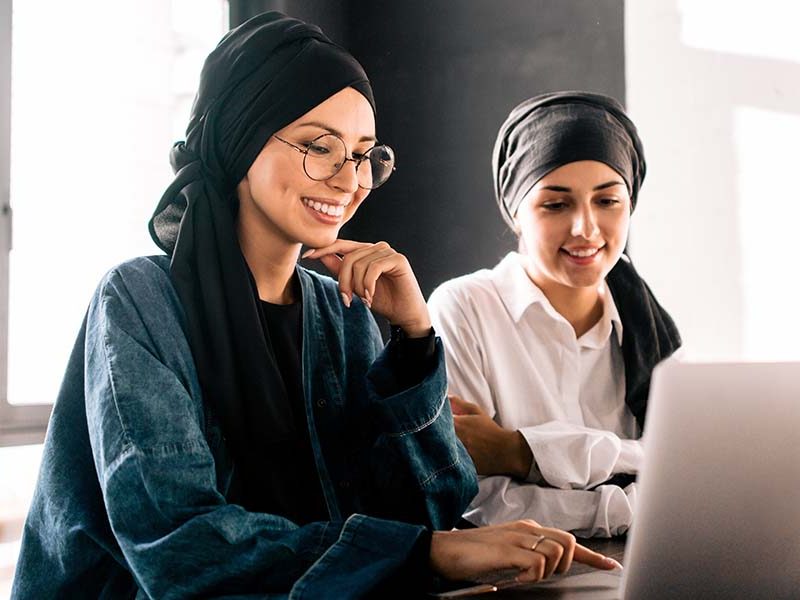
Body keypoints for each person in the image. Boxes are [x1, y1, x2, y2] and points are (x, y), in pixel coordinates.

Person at [11, 17, 620, 600]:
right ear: (240, 138)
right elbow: (180, 548)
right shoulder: (138, 301)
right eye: (318, 147)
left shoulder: (342, 309)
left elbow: (429, 509)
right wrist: (425, 552)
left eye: (363, 154)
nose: (348, 179)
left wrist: (413, 340)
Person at [428, 92, 681, 538]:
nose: (585, 228)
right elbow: (478, 501)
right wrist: (628, 501)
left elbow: (688, 470)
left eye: (607, 202)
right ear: (516, 213)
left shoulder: (650, 331)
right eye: (556, 204)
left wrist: (520, 453)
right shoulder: (464, 308)